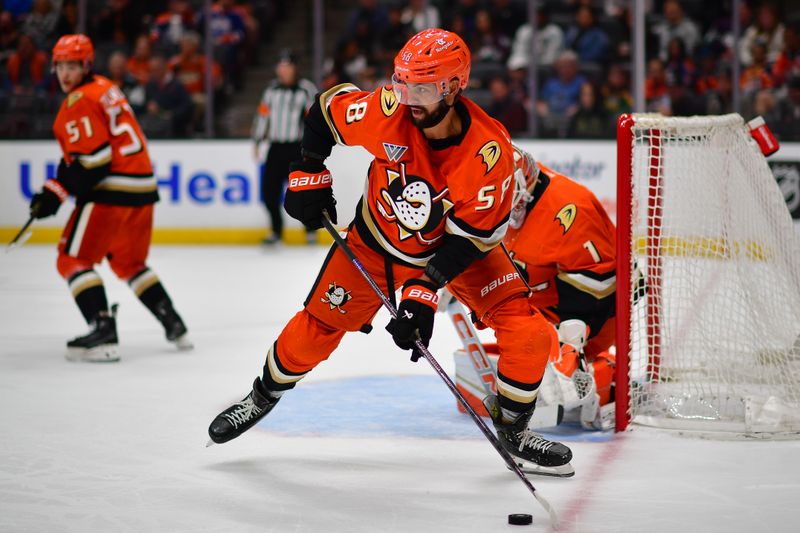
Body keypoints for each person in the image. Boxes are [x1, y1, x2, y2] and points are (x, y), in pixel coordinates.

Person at [209, 29, 574, 477]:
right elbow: (326, 111)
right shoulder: (388, 111)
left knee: (528, 331)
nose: (408, 97)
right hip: (376, 244)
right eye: (403, 83)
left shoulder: (487, 152)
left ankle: (514, 433)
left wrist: (422, 292)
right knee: (315, 330)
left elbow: (472, 238)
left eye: (422, 87)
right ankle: (260, 397)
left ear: (455, 87)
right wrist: (307, 169)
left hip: (460, 250)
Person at [27, 34, 191, 363]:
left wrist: (56, 192)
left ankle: (103, 331)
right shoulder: (105, 86)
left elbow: (94, 162)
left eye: (72, 66)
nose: (65, 74)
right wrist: (61, 183)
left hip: (113, 190)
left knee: (72, 259)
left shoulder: (79, 101)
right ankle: (173, 322)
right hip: (142, 187)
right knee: (130, 264)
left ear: (86, 65)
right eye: (60, 66)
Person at [504, 146, 616, 428]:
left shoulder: (570, 208)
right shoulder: (495, 196)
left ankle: (602, 375)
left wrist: (570, 347)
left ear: (524, 187)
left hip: (597, 310)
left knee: (549, 373)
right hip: (540, 301)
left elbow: (600, 286)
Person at [251, 50, 317, 245]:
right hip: (276, 147)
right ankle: (276, 230)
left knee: (303, 192)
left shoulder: (306, 89)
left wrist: (313, 147)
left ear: (295, 68)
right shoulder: (271, 91)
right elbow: (262, 117)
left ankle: (309, 229)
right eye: (281, 66)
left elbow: (313, 120)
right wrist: (256, 141)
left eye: (288, 66)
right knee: (269, 191)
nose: (284, 70)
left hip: (297, 149)